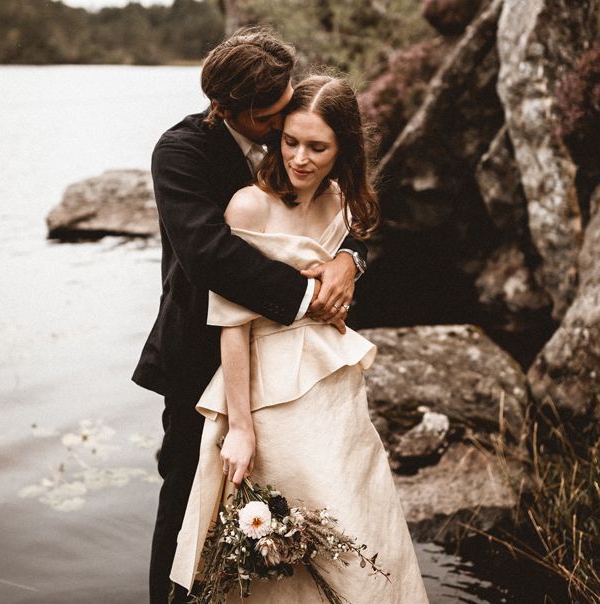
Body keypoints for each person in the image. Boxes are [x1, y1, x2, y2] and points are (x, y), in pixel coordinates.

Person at [169, 75, 430, 603]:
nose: (300, 158)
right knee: (280, 538)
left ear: (343, 149)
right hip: (269, 394)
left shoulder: (342, 203)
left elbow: (355, 246)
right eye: (290, 142)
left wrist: (349, 261)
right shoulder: (249, 206)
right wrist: (239, 428)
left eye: (317, 147)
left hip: (333, 387)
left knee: (359, 509)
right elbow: (232, 324)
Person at [132, 29, 368, 604]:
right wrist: (311, 299)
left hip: (292, 369)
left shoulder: (296, 135)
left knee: (302, 492)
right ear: (230, 109)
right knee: (189, 498)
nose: (288, 120)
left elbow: (338, 211)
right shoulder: (181, 152)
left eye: (289, 97)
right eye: (273, 115)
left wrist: (351, 259)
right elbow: (209, 255)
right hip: (199, 354)